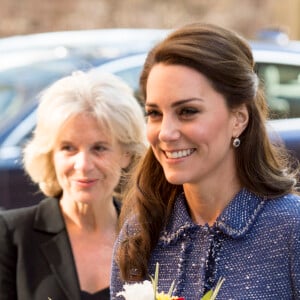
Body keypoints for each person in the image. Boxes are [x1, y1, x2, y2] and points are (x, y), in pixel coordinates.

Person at [110, 23, 300, 299]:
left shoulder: (291, 229)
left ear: (239, 118)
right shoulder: (141, 231)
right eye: (154, 113)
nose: (165, 133)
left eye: (187, 111)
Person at [0, 70, 147, 300]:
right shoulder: (9, 235)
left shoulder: (150, 237)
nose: (83, 165)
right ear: (50, 154)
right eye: (68, 148)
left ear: (126, 154)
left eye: (99, 148)